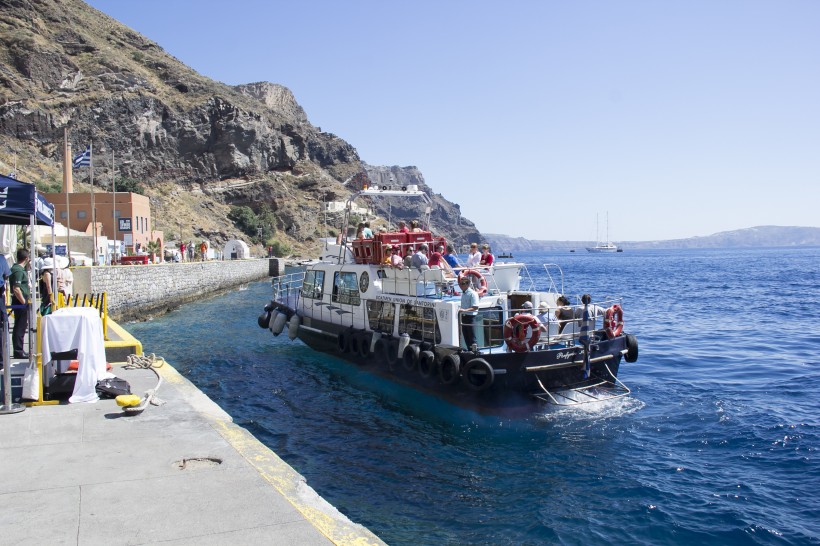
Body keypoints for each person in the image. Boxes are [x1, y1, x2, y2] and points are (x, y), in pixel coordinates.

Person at [9, 248, 31, 359]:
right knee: (20, 326)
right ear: (26, 258)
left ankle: (19, 349)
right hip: (20, 300)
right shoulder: (18, 270)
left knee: (21, 325)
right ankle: (18, 351)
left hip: (21, 299)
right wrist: (24, 303)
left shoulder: (18, 269)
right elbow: (16, 289)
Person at [459, 276, 479, 349]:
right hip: (464, 317)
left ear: (468, 284)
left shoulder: (473, 294)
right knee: (466, 337)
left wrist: (464, 310)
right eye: (460, 283)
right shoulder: (464, 294)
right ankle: (469, 351)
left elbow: (475, 307)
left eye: (463, 283)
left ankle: (475, 352)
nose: (460, 285)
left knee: (472, 337)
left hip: (470, 318)